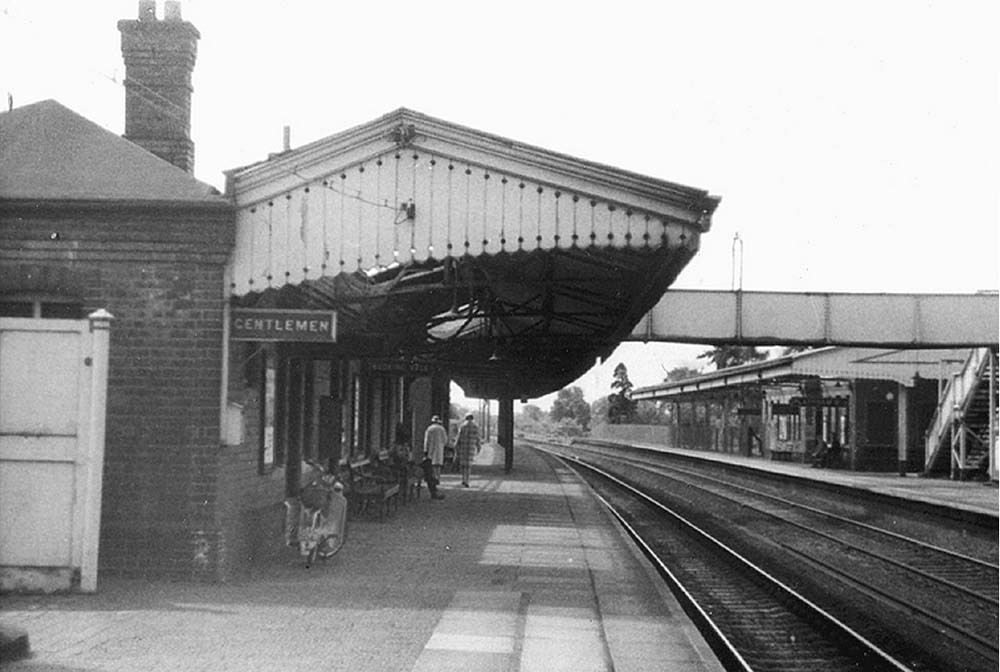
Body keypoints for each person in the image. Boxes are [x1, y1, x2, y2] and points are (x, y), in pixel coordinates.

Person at [422, 415, 447, 500]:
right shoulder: (442, 429)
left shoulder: (429, 429)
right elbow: (445, 440)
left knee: (432, 465)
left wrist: (425, 450)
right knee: (438, 465)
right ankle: (438, 478)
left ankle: (434, 478)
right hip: (439, 448)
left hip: (431, 450)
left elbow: (426, 441)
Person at [454, 412, 481, 487]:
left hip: (463, 447)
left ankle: (463, 479)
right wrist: (478, 447)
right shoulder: (476, 426)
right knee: (468, 465)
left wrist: (456, 446)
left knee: (463, 465)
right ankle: (467, 480)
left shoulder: (462, 426)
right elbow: (478, 438)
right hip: (471, 448)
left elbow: (458, 437)